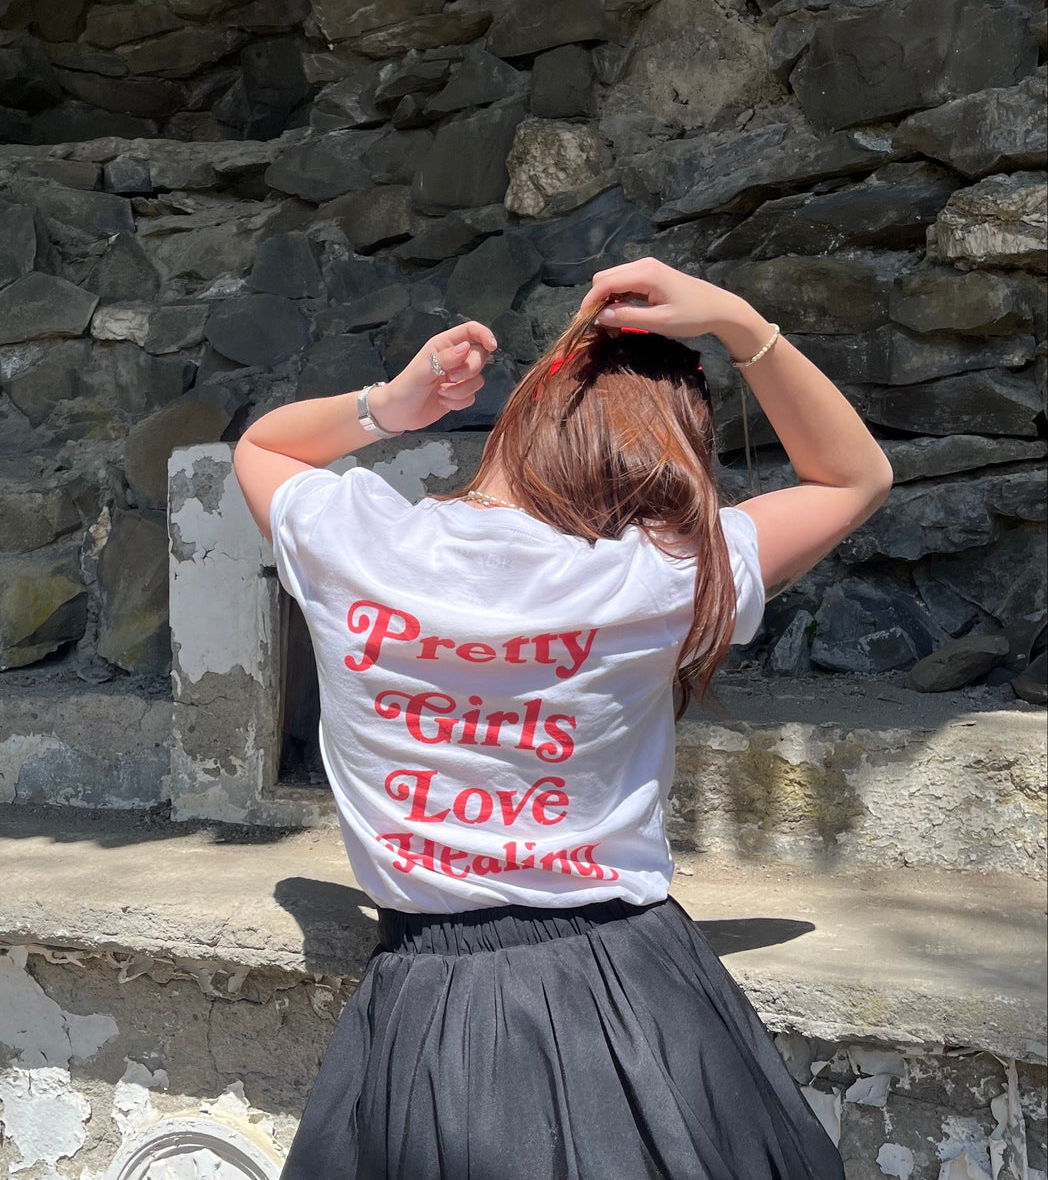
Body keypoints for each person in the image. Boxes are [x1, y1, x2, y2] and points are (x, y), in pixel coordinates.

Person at [234, 257, 892, 1180]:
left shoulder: (358, 543)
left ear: (524, 413)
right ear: (669, 452)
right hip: (640, 989)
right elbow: (854, 478)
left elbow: (260, 449)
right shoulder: (667, 574)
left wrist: (391, 405)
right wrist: (743, 325)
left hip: (432, 1004)